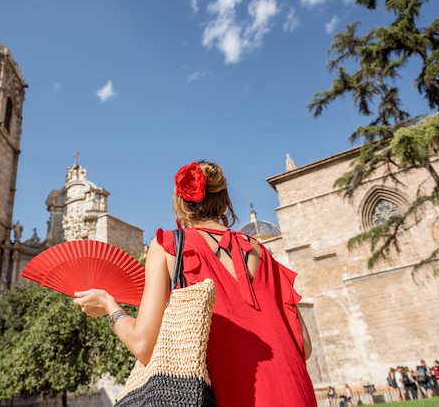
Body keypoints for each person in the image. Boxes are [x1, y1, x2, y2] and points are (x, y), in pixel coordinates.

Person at [73, 161, 317, 406]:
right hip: (296, 393)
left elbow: (142, 344)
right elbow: (304, 347)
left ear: (180, 205)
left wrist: (108, 304)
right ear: (224, 204)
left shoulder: (168, 246)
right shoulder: (264, 253)